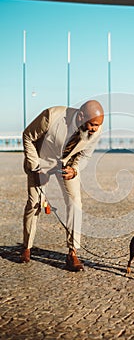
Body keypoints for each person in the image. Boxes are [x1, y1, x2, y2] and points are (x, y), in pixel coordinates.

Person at [20, 100, 104, 271]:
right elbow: (27, 136)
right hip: (41, 163)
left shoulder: (96, 129)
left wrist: (75, 170)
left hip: (67, 165)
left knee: (75, 203)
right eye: (92, 124)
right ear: (81, 116)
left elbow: (85, 155)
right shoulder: (51, 116)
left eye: (98, 126)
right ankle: (26, 248)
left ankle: (72, 253)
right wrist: (35, 166)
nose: (95, 129)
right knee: (34, 203)